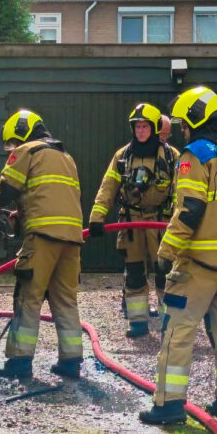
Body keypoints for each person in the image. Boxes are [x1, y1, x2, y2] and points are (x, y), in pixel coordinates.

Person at [139, 86, 217, 424]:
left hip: (198, 262)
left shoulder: (194, 155)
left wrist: (167, 250)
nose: (183, 129)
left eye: (185, 122)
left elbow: (189, 209)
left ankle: (169, 405)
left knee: (177, 330)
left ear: (195, 118)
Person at [0, 110, 85, 379]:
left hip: (42, 239)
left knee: (28, 297)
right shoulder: (66, 157)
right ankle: (71, 362)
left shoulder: (27, 152)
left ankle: (19, 362)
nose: (12, 148)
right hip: (72, 240)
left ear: (21, 134)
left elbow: (5, 191)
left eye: (12, 143)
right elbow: (49, 197)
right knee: (65, 300)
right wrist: (20, 217)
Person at [88, 103, 176, 337]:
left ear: (155, 128)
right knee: (135, 273)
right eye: (137, 126)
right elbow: (108, 187)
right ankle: (138, 321)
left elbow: (181, 190)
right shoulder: (122, 156)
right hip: (131, 223)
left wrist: (179, 221)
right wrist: (97, 217)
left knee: (165, 273)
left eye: (145, 126)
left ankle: (171, 323)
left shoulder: (170, 156)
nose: (140, 131)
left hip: (161, 224)